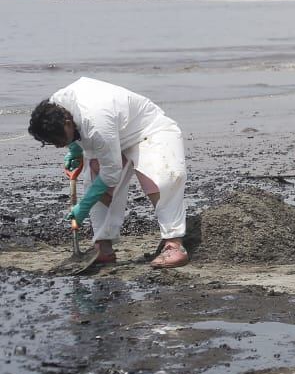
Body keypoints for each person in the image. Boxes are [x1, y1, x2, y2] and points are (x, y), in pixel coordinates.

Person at [27, 79, 189, 268]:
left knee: (161, 179)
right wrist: (74, 149)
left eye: (59, 139)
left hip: (148, 129)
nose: (57, 145)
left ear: (68, 122)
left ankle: (174, 243)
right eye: (51, 141)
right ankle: (103, 246)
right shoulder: (57, 104)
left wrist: (84, 206)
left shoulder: (96, 122)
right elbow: (98, 159)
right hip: (114, 133)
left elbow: (112, 173)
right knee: (94, 177)